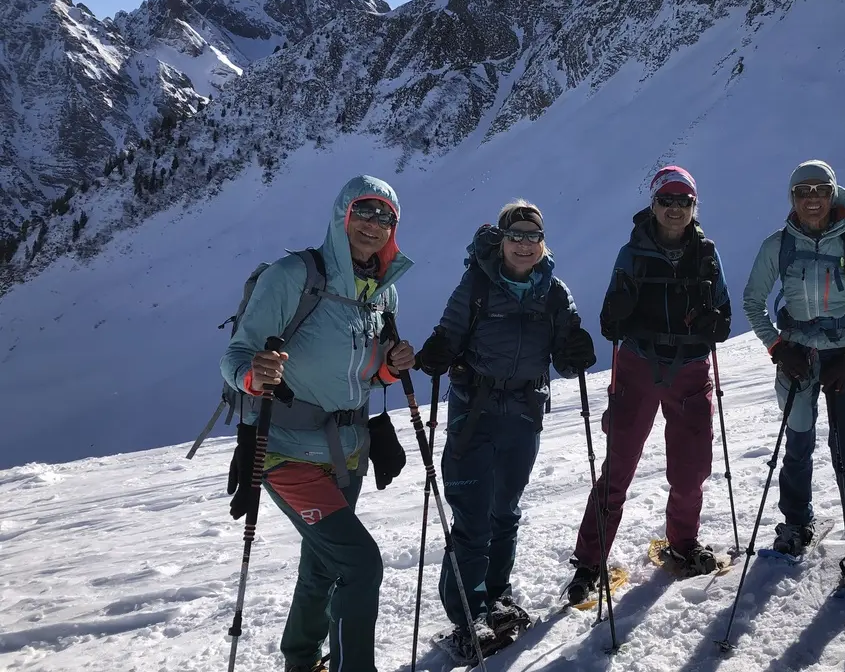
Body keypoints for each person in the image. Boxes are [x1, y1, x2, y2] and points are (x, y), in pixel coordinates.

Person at [220, 175, 416, 672]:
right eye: (364, 211)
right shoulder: (292, 276)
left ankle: (301, 661)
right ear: (342, 215)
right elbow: (236, 356)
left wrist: (390, 368)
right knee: (360, 564)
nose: (374, 224)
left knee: (325, 566)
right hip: (286, 451)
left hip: (347, 453)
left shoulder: (384, 292)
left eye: (386, 217)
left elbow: (362, 376)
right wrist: (253, 374)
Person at [415, 200, 595, 658]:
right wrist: (438, 349)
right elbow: (449, 333)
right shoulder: (476, 285)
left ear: (543, 243)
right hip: (473, 413)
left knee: (505, 512)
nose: (524, 244)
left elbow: (565, 353)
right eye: (516, 236)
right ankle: (467, 616)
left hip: (524, 413)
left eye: (533, 237)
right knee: (472, 517)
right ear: (502, 240)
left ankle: (497, 597)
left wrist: (575, 351)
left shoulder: (555, 293)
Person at [564, 165, 732, 605]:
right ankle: (589, 562)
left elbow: (724, 313)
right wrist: (618, 313)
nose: (675, 208)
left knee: (691, 469)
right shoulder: (632, 254)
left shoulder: (707, 254)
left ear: (694, 206)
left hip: (688, 369)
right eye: (666, 200)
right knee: (618, 468)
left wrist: (715, 322)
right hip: (639, 366)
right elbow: (609, 322)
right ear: (653, 204)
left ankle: (683, 543)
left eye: (683, 201)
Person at [742, 159, 845, 591]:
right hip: (798, 356)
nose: (812, 198)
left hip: (843, 356)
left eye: (820, 190)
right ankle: (795, 523)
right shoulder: (778, 245)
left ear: (833, 193)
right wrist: (777, 348)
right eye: (802, 191)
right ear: (792, 197)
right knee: (798, 443)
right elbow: (753, 301)